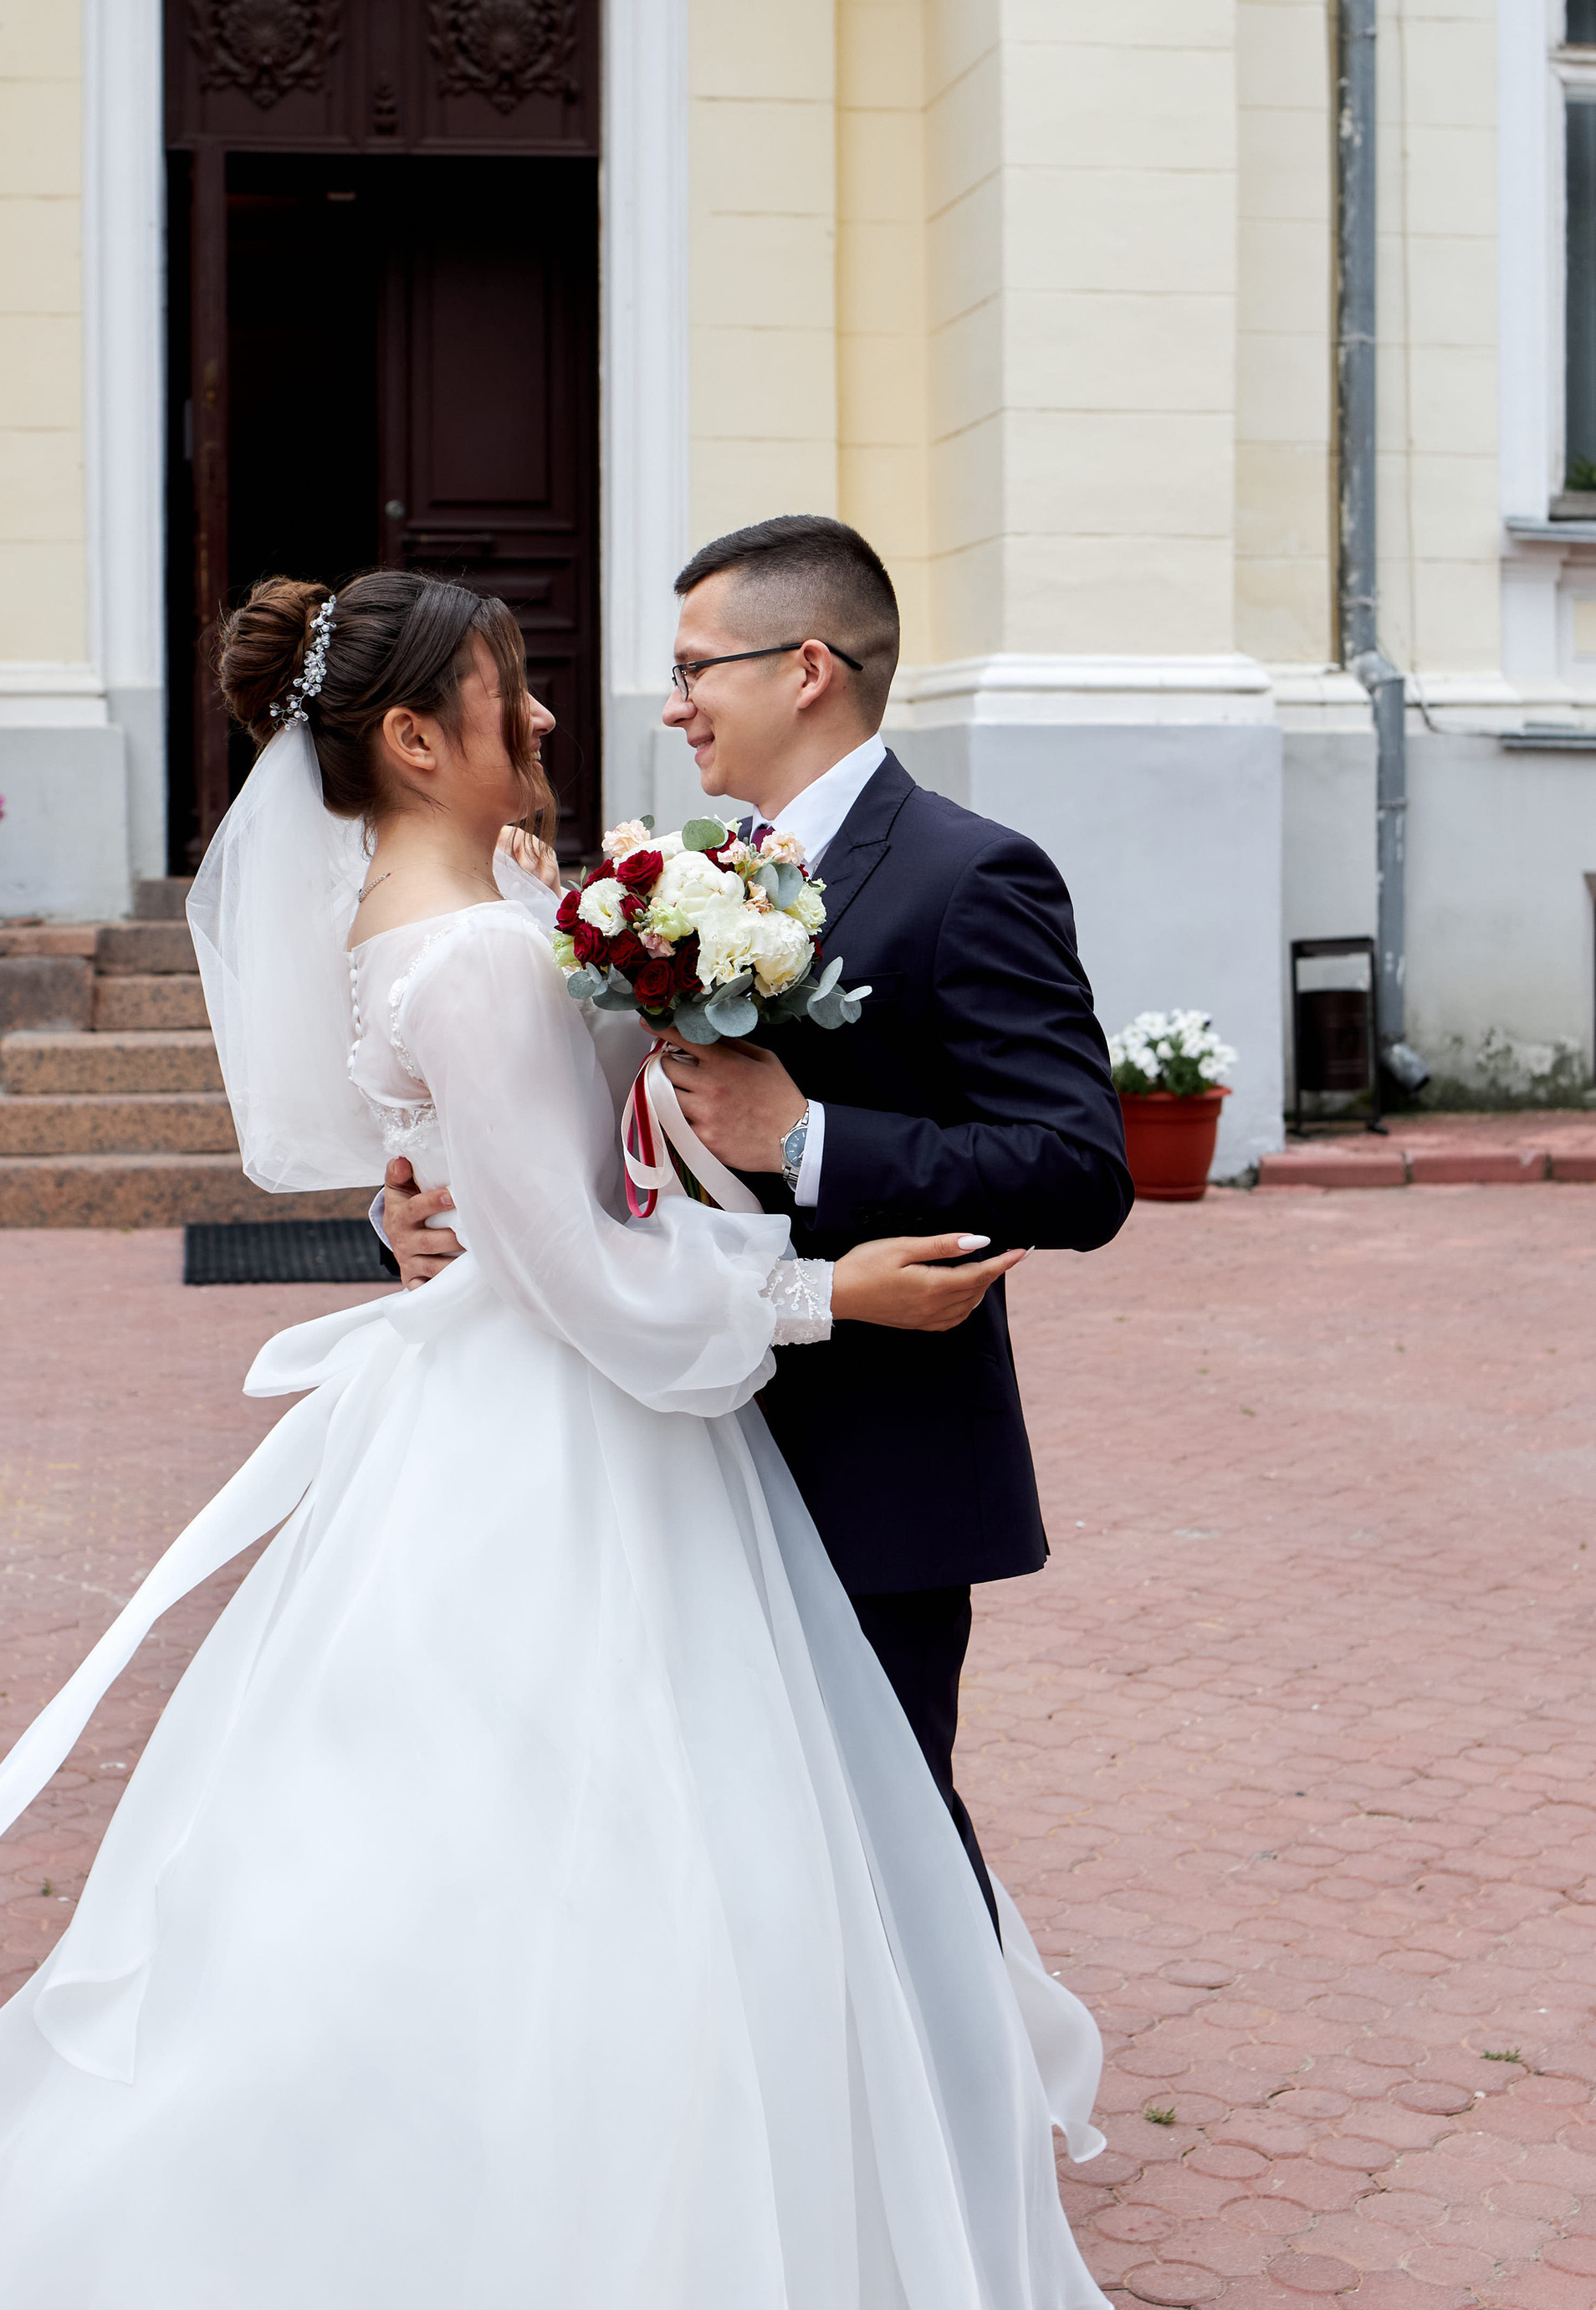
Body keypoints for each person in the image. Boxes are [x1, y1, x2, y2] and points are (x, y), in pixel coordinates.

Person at [0, 567, 1109, 2310]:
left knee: (496, 1900)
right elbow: (591, 1285)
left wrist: (507, 1162)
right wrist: (813, 1289)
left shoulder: (466, 924)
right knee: (615, 1897)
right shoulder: (478, 957)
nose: (558, 719)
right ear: (413, 735)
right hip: (569, 1445)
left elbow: (539, 1195)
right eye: (514, 693)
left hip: (518, 1433)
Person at [387, 519, 1132, 1925]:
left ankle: (950, 2133)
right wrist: (426, 1206)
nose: (669, 706)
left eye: (690, 669)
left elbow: (1078, 1166)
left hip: (875, 1450)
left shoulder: (972, 874)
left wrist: (811, 1137)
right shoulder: (671, 881)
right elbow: (557, 1125)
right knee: (728, 1846)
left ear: (806, 668)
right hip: (670, 1445)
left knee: (885, 1830)